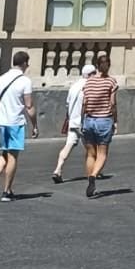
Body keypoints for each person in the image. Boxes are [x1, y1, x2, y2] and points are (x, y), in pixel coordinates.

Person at [0, 50, 38, 201]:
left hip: (1, 121)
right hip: (15, 121)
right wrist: (34, 125)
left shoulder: (1, 79)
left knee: (4, 152)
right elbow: (29, 106)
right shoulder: (25, 81)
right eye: (27, 63)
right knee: (13, 156)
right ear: (23, 63)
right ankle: (7, 190)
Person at [78, 51, 118, 198]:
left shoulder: (89, 82)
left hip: (89, 120)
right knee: (102, 153)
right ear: (108, 66)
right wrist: (115, 120)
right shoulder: (111, 82)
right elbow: (113, 103)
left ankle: (90, 181)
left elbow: (84, 103)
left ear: (97, 66)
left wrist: (82, 120)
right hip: (104, 120)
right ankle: (94, 176)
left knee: (90, 153)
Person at [53, 63, 95, 185]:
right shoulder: (89, 86)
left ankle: (58, 169)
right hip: (84, 122)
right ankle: (91, 173)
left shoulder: (74, 86)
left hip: (73, 121)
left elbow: (67, 104)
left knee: (68, 145)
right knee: (91, 149)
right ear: (90, 75)